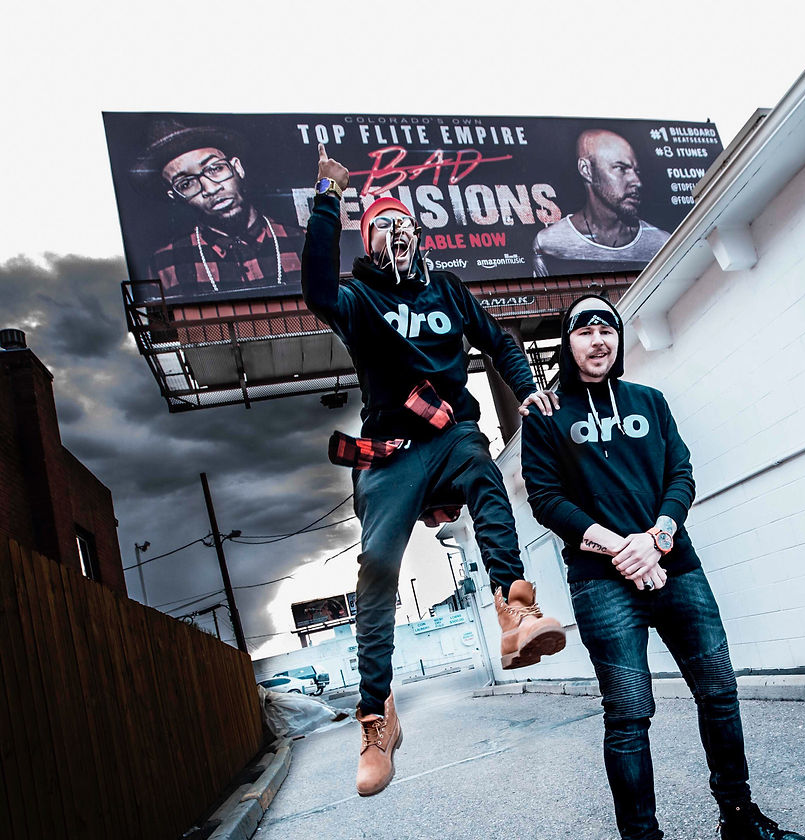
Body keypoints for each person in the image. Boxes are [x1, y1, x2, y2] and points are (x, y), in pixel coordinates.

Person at [520, 293, 805, 840]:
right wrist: (616, 546)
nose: (598, 338)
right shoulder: (547, 417)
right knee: (629, 719)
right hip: (603, 583)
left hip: (676, 567)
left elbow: (680, 472)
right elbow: (547, 499)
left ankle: (738, 819)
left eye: (607, 328)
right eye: (584, 328)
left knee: (720, 692)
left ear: (618, 341)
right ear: (566, 343)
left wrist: (656, 534)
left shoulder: (650, 402)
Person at [302, 145, 566, 797]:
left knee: (484, 473)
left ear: (419, 237)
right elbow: (313, 289)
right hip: (392, 450)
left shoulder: (446, 288)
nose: (396, 237)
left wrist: (525, 385)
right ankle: (376, 719)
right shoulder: (361, 297)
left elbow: (500, 339)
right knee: (377, 567)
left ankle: (515, 612)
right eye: (382, 229)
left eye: (404, 226)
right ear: (370, 242)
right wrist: (329, 198)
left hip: (451, 436)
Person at [130, 120, 306, 299]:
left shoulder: (306, 242)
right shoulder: (164, 264)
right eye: (186, 184)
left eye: (215, 168)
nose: (210, 189)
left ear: (237, 168)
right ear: (176, 197)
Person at [532, 130, 670, 277]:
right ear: (586, 170)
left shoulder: (662, 244)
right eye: (621, 169)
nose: (637, 182)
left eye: (637, 171)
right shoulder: (549, 243)